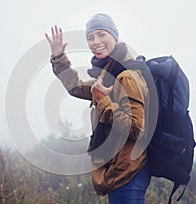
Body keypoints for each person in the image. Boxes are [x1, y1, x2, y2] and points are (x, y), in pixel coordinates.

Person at [45, 13, 151, 204]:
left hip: (128, 173)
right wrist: (59, 57)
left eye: (101, 34)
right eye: (90, 37)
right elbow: (76, 87)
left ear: (114, 37)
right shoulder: (109, 74)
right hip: (120, 170)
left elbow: (138, 129)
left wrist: (104, 102)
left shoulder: (126, 76)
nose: (95, 41)